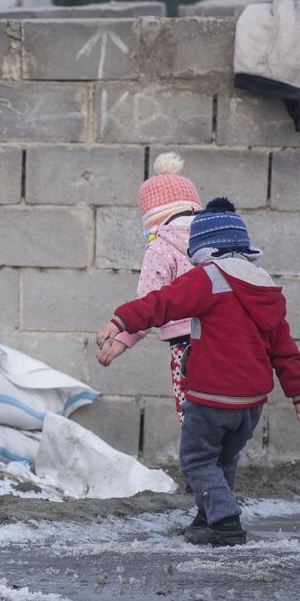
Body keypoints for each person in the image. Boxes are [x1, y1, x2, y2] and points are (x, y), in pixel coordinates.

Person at [96, 197, 300, 546]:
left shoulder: (208, 279)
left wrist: (120, 319)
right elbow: (284, 349)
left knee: (196, 460)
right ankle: (208, 518)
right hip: (251, 402)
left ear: (203, 247)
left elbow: (162, 302)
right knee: (224, 458)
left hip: (211, 393)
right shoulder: (265, 285)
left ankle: (226, 519)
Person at [97, 152, 202, 425]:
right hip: (231, 339)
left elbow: (150, 303)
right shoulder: (217, 241)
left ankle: (200, 465)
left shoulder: (160, 247)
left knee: (192, 420)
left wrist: (123, 339)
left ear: (153, 218)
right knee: (224, 419)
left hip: (187, 346)